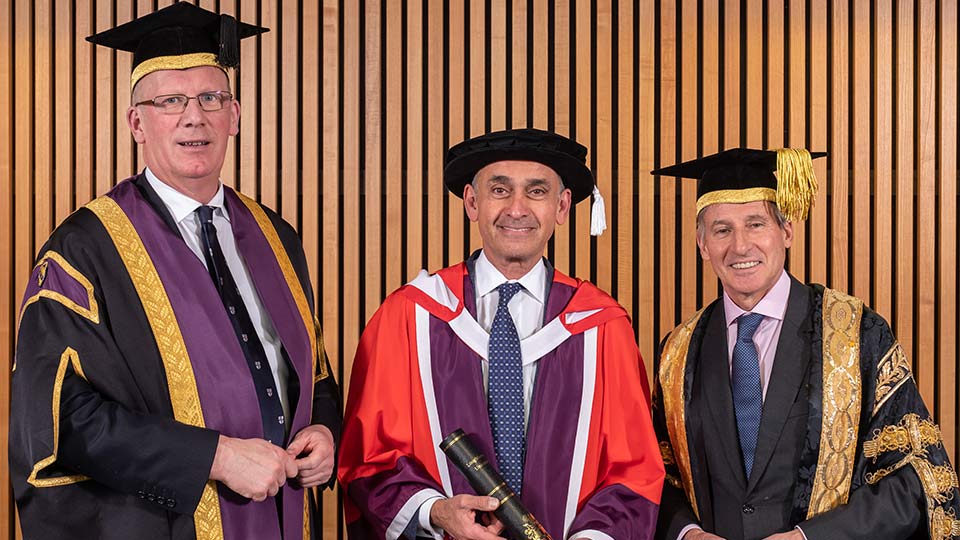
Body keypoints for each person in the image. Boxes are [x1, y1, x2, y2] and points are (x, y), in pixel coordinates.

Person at [8, 3, 341, 539]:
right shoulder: (85, 249)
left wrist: (326, 431)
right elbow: (57, 419)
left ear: (235, 115)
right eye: (169, 101)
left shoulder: (275, 237)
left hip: (279, 518)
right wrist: (214, 457)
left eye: (212, 97)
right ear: (136, 122)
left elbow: (314, 372)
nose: (194, 116)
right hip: (165, 523)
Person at [338, 128, 664, 540]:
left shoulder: (602, 326)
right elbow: (369, 458)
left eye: (537, 191)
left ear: (562, 206)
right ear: (472, 203)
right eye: (499, 190)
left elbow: (634, 470)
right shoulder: (407, 316)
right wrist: (435, 512)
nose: (516, 208)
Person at [650, 148, 960, 540]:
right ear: (702, 243)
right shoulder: (679, 352)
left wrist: (811, 537)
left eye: (756, 224)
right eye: (722, 229)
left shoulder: (856, 335)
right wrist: (687, 532)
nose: (741, 246)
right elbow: (654, 476)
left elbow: (916, 479)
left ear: (787, 231)